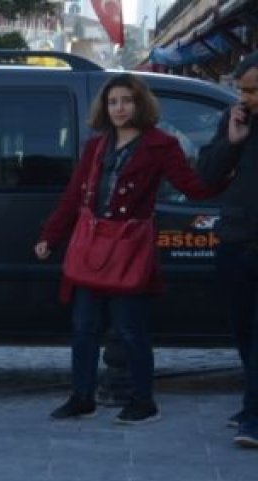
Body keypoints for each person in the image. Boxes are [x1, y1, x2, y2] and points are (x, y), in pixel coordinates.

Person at [36, 74, 216, 425]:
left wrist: (228, 159)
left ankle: (143, 401)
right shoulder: (96, 146)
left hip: (130, 248)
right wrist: (50, 236)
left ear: (140, 104)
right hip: (91, 246)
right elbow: (74, 197)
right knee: (83, 326)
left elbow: (192, 186)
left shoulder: (160, 145)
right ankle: (82, 396)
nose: (119, 108)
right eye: (113, 101)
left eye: (126, 101)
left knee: (131, 328)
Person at [198, 52, 258, 448]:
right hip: (237, 239)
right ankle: (251, 405)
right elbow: (207, 174)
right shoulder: (236, 119)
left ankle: (253, 417)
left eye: (253, 90)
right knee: (242, 330)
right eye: (242, 89)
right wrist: (232, 143)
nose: (245, 97)